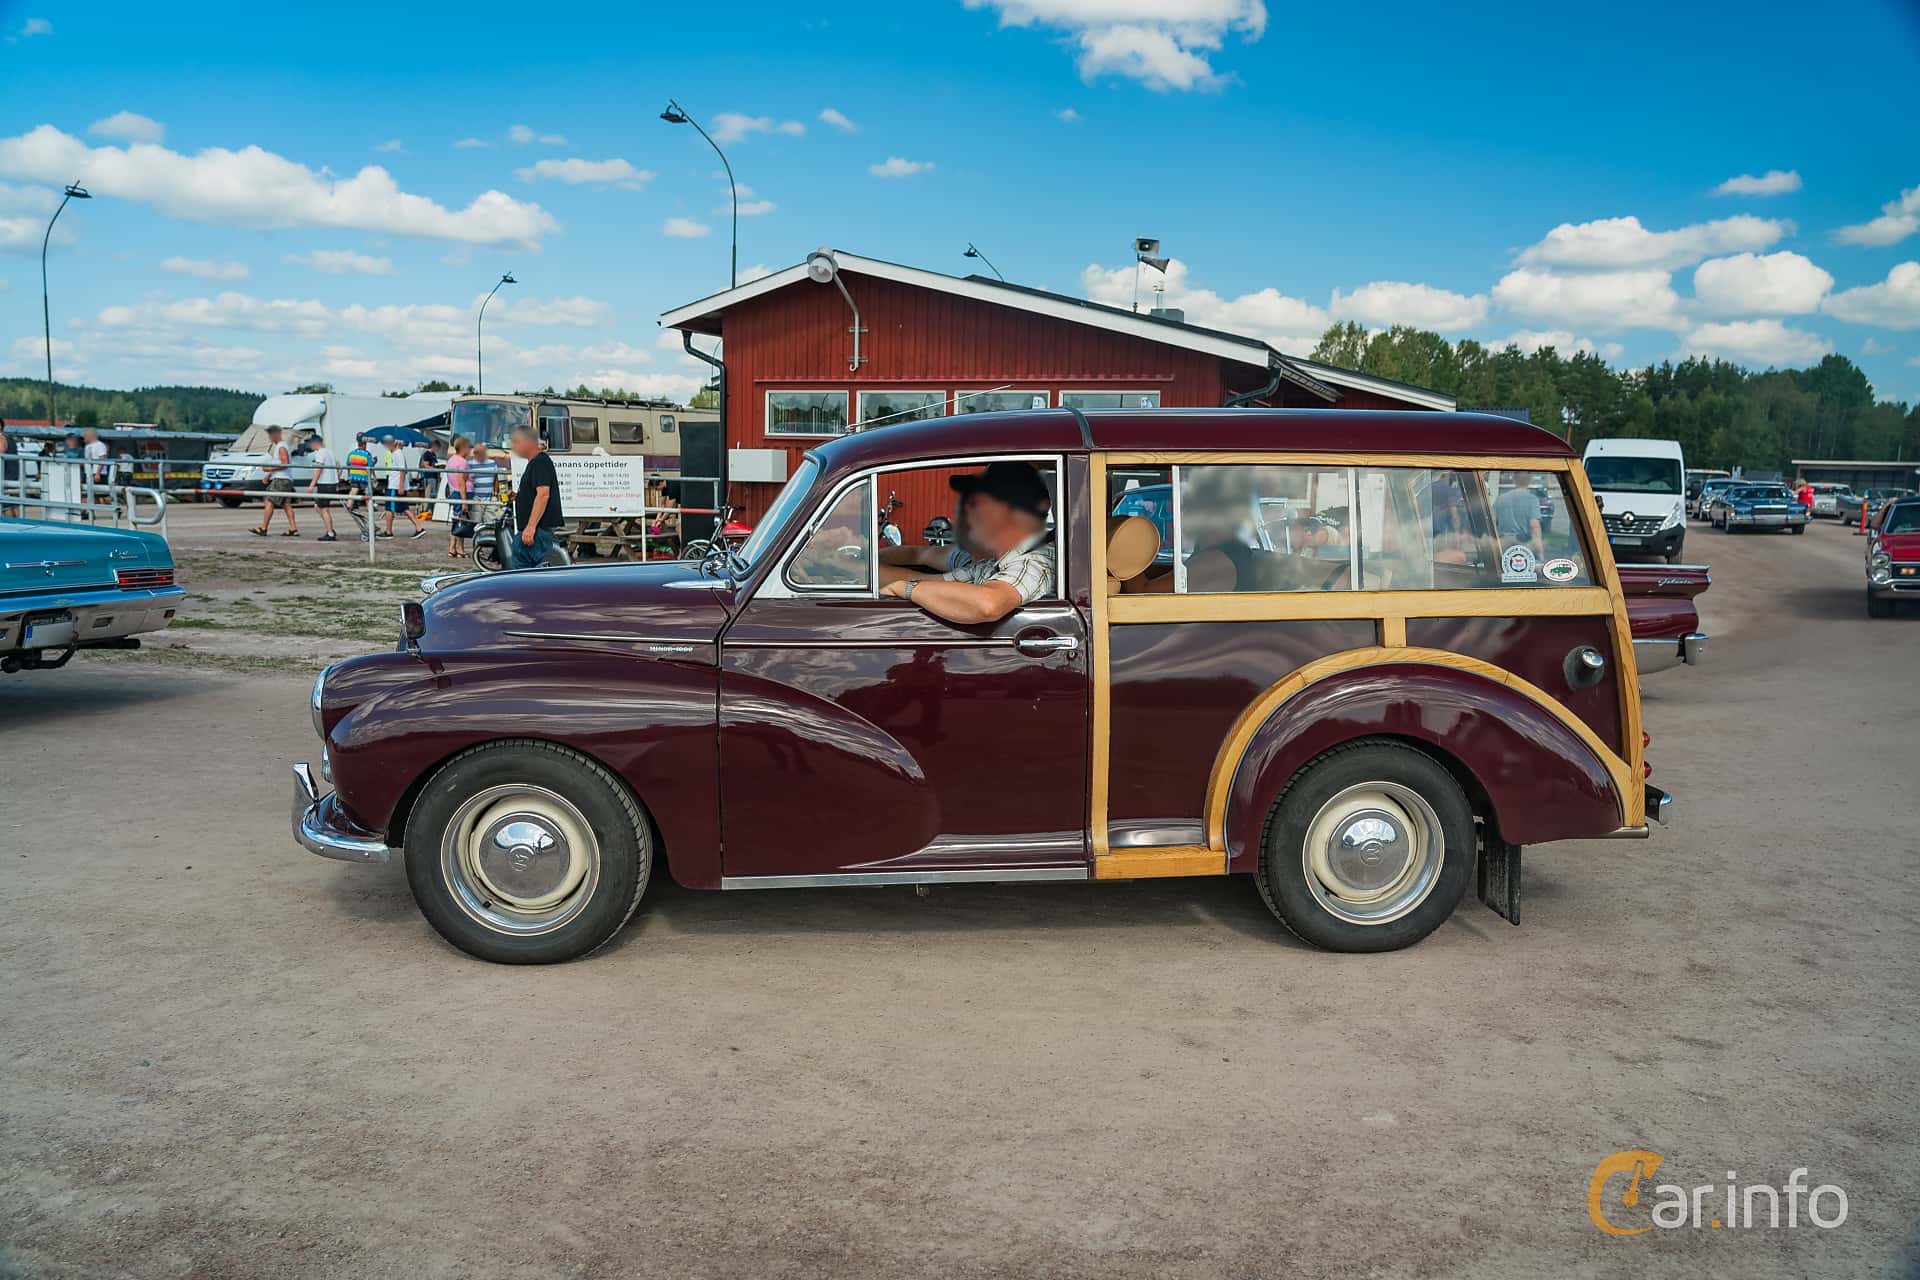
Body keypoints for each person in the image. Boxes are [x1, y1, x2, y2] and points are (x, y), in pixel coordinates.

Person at [879, 461, 1052, 623]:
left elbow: (988, 604)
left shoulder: (1035, 560)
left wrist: (903, 589)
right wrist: (861, 568)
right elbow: (925, 568)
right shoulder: (989, 560)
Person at [508, 423, 564, 569]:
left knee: (526, 575)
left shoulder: (540, 462)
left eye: (516, 442)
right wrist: (518, 496)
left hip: (537, 532)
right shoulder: (535, 463)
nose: (514, 447)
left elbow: (543, 494)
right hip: (535, 531)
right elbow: (536, 493)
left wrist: (531, 527)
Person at [250, 425, 299, 537]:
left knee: (269, 501)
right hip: (285, 478)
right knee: (285, 504)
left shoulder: (281, 447)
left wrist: (269, 469)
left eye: (270, 434)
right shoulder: (281, 446)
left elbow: (285, 463)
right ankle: (293, 528)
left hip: (281, 479)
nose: (269, 437)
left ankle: (264, 527)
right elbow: (280, 463)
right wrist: (269, 475)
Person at [378, 435, 426, 539]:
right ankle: (418, 528)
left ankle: (389, 531)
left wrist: (400, 486)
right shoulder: (395, 454)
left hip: (395, 486)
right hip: (395, 485)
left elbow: (402, 470)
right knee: (404, 508)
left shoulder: (397, 454)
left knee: (389, 508)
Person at [303, 435, 344, 542]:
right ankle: (329, 528)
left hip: (325, 484)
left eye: (310, 443)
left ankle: (330, 533)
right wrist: (336, 480)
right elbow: (339, 467)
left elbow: (319, 468)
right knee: (318, 506)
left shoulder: (320, 453)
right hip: (331, 483)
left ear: (315, 443)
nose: (309, 445)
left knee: (324, 509)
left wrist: (312, 484)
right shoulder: (329, 452)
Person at [1494, 473, 1544, 557]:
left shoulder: (1501, 498)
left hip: (1503, 544)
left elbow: (1492, 520)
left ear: (1514, 480)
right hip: (1523, 546)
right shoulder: (1532, 499)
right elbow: (1534, 526)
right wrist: (1540, 553)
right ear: (1530, 480)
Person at [444, 436, 473, 559]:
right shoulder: (462, 462)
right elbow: (461, 481)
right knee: (462, 522)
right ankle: (459, 549)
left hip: (454, 492)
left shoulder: (451, 460)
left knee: (456, 521)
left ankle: (453, 548)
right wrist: (464, 501)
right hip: (462, 493)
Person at [0, 427, 18, 517]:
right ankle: (19, 525)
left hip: (5, 476)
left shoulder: (1, 438)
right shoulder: (11, 439)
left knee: (7, 506)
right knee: (14, 504)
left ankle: (13, 526)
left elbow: (1, 452)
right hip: (14, 475)